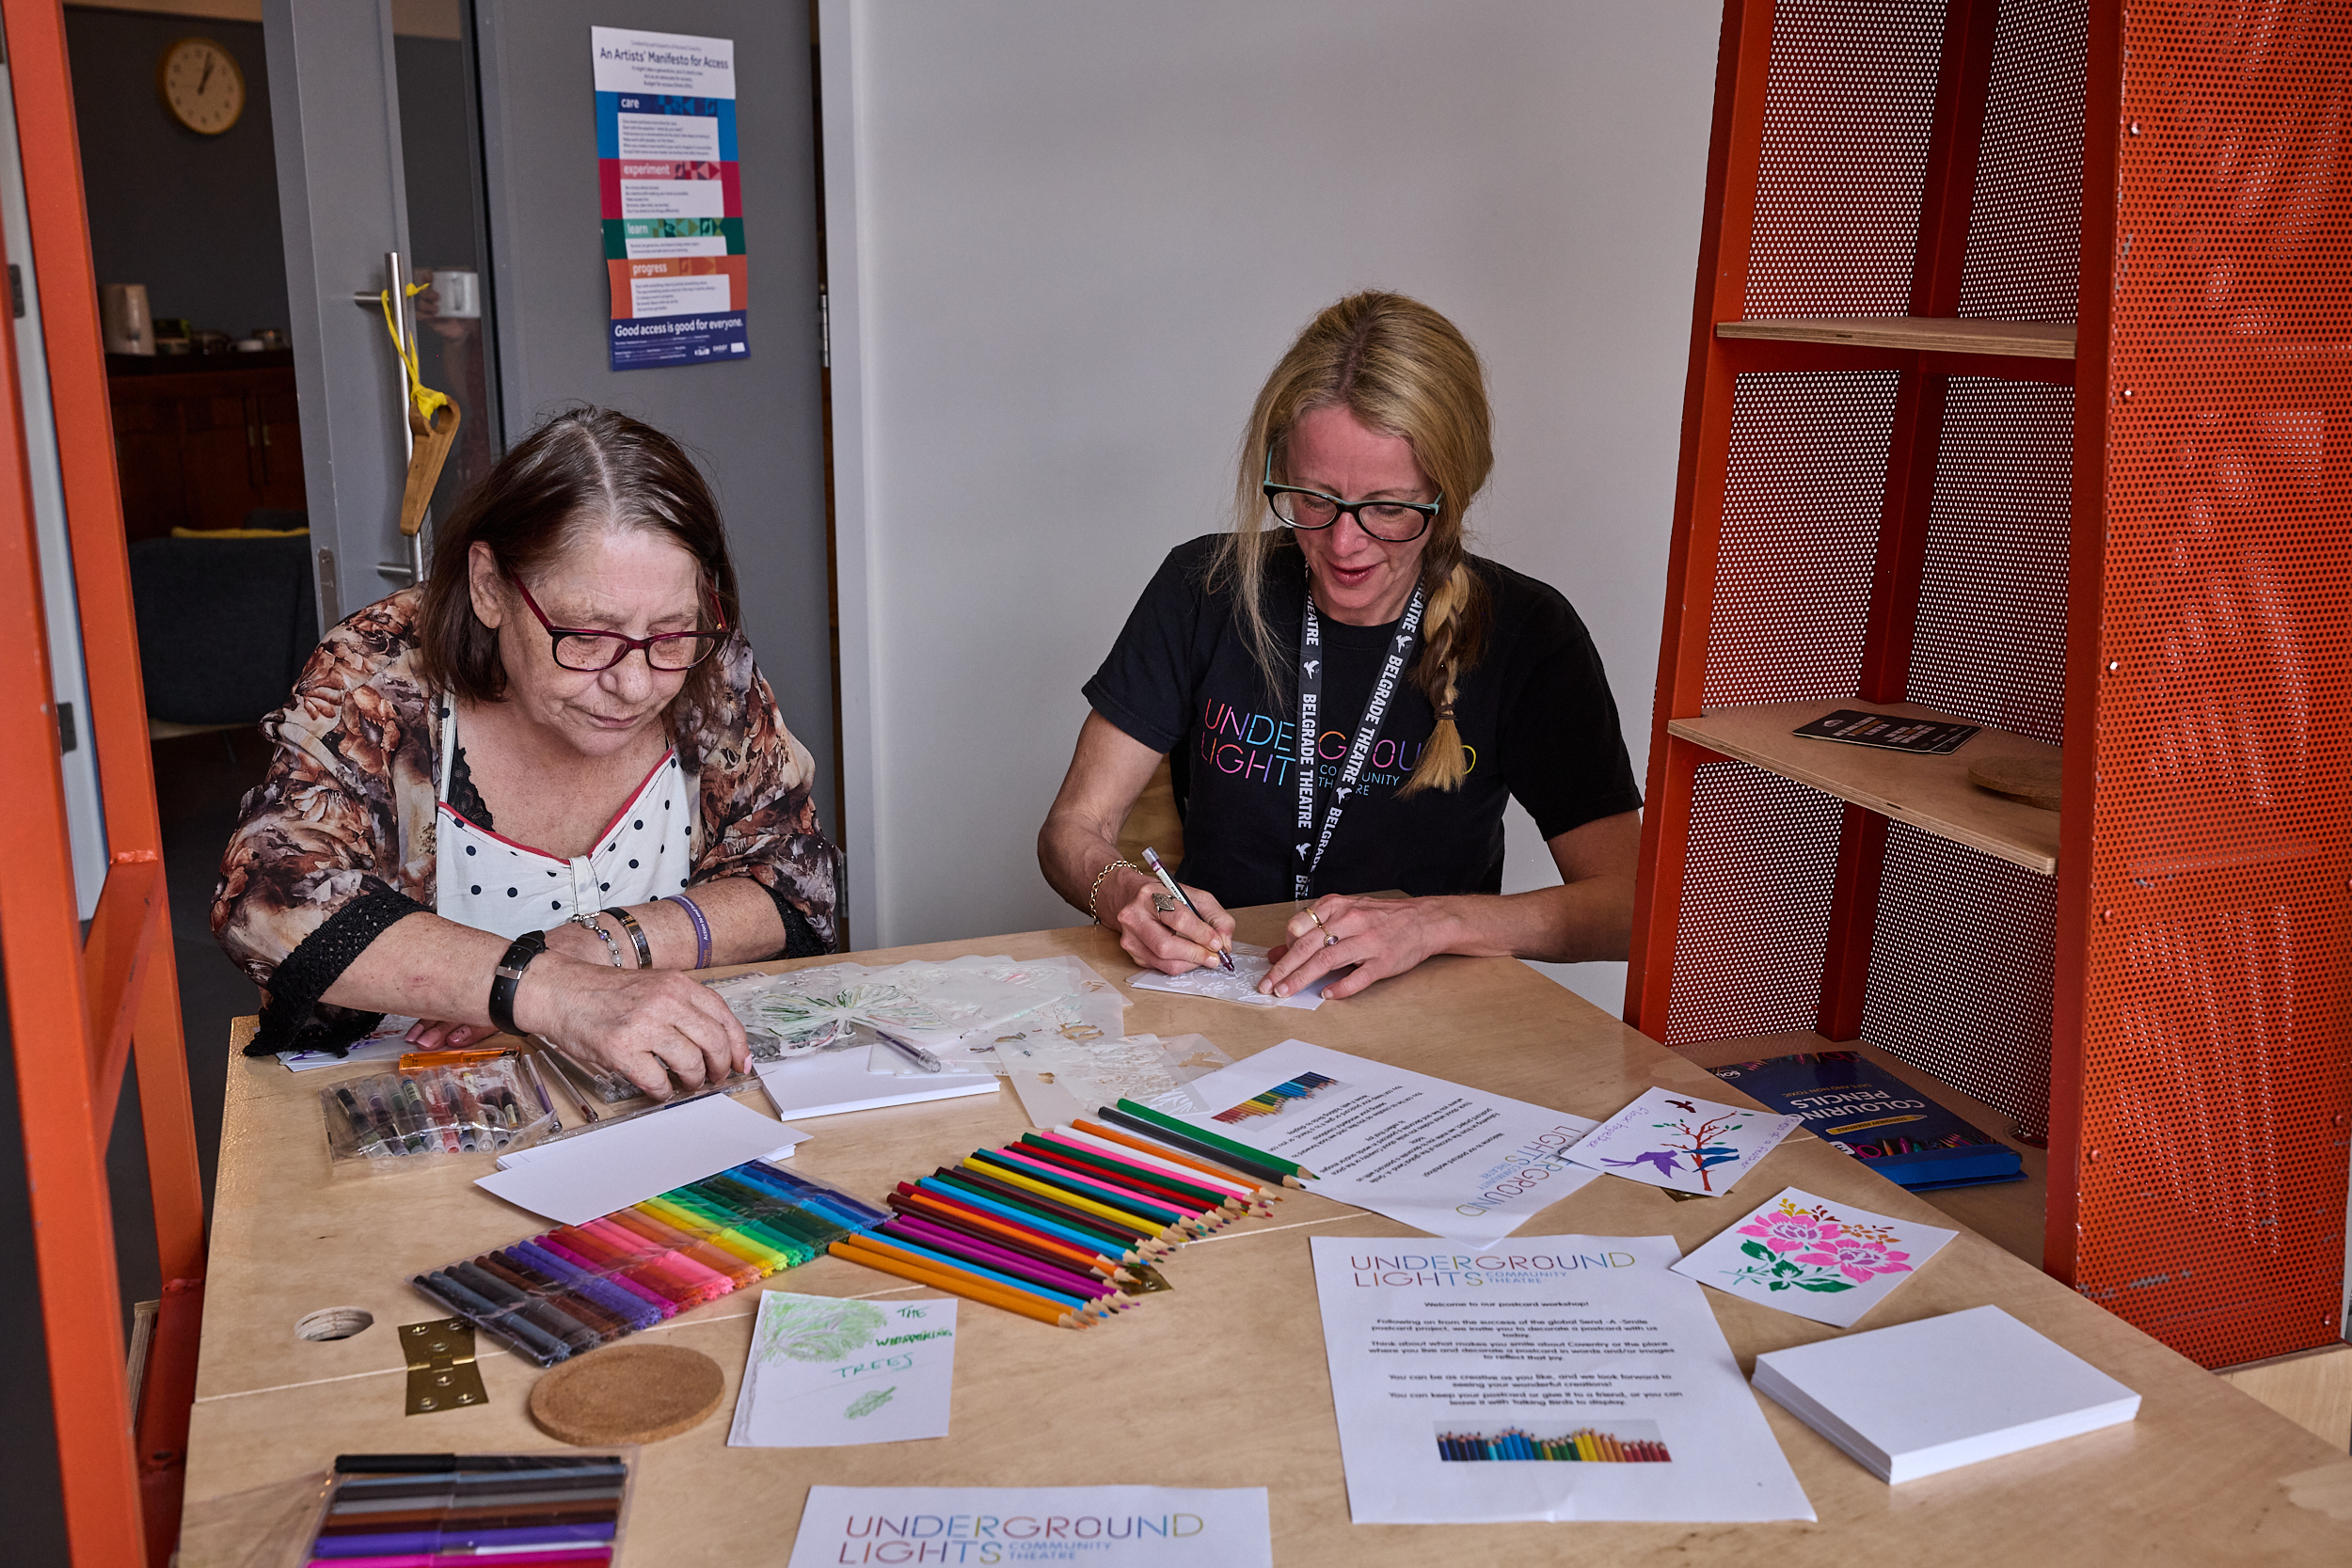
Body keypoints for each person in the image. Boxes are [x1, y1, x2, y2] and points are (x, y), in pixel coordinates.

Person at [1038, 291, 1642, 1001]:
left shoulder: (1530, 634)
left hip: (1430, 1021)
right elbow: (1071, 829)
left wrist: (1434, 922)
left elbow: (1627, 907)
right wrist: (1124, 894)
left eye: (1389, 507)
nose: (1344, 544)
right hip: (1223, 994)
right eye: (1314, 499)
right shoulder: (1204, 586)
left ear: (1450, 494)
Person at [215, 408, 837, 1095]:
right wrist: (545, 987)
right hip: (424, 1111)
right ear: (489, 587)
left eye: (670, 631)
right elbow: (268, 898)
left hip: (661, 1098)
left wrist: (608, 942)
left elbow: (795, 880)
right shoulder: (379, 673)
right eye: (588, 636)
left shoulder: (706, 667)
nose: (634, 684)